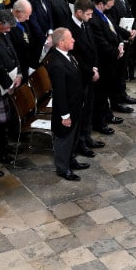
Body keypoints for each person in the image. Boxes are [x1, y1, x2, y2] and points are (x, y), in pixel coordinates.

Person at [46, 27, 84, 181]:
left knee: (73, 136)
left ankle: (70, 160)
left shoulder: (67, 56)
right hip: (66, 108)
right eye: (70, 38)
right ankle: (62, 168)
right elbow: (60, 92)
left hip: (75, 105)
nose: (73, 40)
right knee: (64, 139)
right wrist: (65, 115)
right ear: (61, 43)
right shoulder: (56, 63)